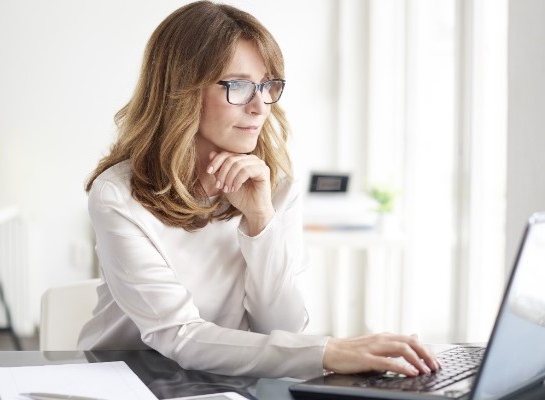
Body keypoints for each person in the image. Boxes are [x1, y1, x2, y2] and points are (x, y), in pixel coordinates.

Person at [78, 0, 440, 379]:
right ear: (181, 90)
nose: (259, 106)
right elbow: (179, 336)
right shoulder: (118, 195)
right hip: (121, 377)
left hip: (221, 379)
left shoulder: (276, 185)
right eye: (238, 85)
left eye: (267, 86)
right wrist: (330, 351)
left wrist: (260, 221)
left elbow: (281, 330)